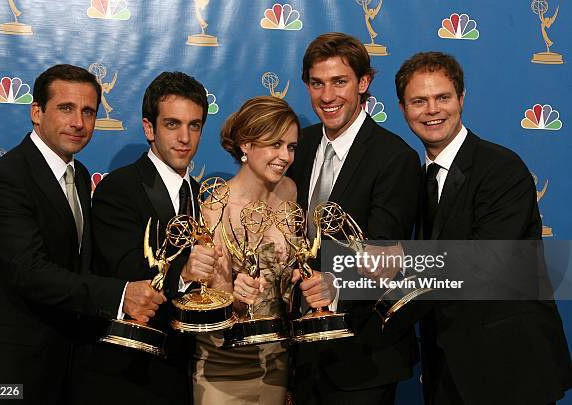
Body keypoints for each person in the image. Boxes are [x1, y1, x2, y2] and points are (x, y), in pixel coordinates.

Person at [0, 64, 164, 404]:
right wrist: (120, 294)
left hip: (64, 364)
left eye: (88, 112)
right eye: (66, 108)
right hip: (5, 372)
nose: (78, 123)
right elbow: (30, 272)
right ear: (36, 112)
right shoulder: (7, 179)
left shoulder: (80, 175)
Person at [395, 51, 572, 405]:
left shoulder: (501, 168)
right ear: (402, 109)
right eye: (419, 101)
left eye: (442, 97)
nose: (432, 110)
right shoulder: (416, 179)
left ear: (461, 99)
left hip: (509, 369)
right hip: (447, 370)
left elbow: (483, 262)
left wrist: (379, 268)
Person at [286, 32, 422, 404]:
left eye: (339, 82)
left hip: (363, 358)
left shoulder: (396, 158)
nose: (327, 96)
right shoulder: (298, 145)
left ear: (363, 83)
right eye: (317, 83)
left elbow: (384, 252)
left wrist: (335, 284)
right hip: (301, 353)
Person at [70, 71, 214, 404]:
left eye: (194, 126)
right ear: (149, 128)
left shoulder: (199, 195)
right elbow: (123, 268)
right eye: (172, 124)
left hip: (180, 367)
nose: (184, 138)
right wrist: (184, 272)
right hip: (124, 371)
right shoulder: (119, 188)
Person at [193, 96, 313, 404]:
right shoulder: (215, 207)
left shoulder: (289, 191)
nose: (285, 156)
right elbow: (216, 303)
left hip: (276, 357)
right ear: (245, 145)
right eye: (275, 144)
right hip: (226, 362)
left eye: (291, 146)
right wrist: (235, 295)